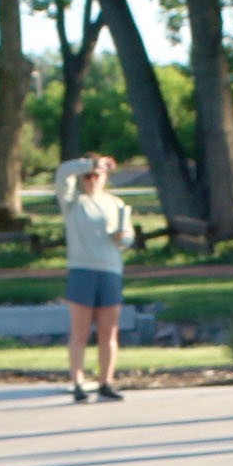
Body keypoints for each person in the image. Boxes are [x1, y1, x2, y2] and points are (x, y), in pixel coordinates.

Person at [56, 152, 133, 401]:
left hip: (110, 269)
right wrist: (90, 163)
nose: (91, 180)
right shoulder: (73, 203)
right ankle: (78, 381)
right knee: (80, 331)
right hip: (82, 269)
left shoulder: (116, 204)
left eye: (96, 176)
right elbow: (62, 172)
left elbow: (128, 236)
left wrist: (123, 238)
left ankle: (106, 381)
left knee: (108, 332)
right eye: (87, 176)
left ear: (105, 178)